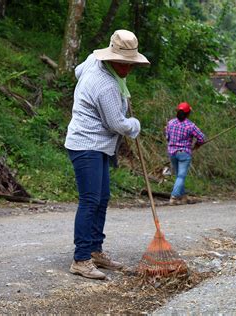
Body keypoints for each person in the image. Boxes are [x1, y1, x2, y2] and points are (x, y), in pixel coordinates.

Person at [64, 30, 150, 280]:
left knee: (102, 198)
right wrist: (135, 124)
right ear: (111, 59)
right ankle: (81, 259)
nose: (126, 69)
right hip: (85, 143)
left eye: (129, 64)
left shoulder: (93, 60)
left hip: (100, 145)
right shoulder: (105, 85)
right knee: (90, 200)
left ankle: (95, 250)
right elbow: (117, 124)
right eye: (122, 64)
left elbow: (77, 71)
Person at [165, 102, 206, 205]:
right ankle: (174, 197)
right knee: (181, 176)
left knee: (179, 175)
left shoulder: (170, 123)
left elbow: (167, 137)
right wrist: (197, 145)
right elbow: (201, 138)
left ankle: (183, 197)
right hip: (184, 153)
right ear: (188, 114)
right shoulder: (190, 126)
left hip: (172, 153)